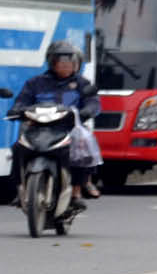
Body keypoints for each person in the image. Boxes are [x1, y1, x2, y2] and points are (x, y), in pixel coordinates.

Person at [11, 40, 102, 202]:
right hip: (38, 128)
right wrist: (17, 110)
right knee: (18, 148)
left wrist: (87, 111)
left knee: (82, 146)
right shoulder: (35, 83)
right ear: (52, 63)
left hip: (68, 128)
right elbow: (22, 101)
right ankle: (20, 189)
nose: (66, 66)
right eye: (62, 62)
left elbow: (92, 102)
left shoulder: (81, 83)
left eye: (70, 62)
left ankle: (77, 189)